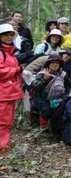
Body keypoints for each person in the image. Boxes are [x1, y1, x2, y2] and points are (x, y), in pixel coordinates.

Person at [0, 24, 24, 158]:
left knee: (8, 122)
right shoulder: (1, 53)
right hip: (3, 93)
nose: (9, 37)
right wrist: (16, 70)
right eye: (6, 35)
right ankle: (2, 150)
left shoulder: (10, 53)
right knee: (2, 122)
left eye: (11, 35)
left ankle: (4, 148)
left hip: (11, 92)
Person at [33, 54, 69, 128]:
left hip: (58, 97)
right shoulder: (42, 74)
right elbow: (35, 87)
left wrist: (63, 97)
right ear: (48, 64)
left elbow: (68, 87)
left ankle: (55, 126)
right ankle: (44, 127)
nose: (55, 65)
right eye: (52, 63)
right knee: (47, 110)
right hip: (43, 98)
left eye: (57, 63)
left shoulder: (63, 75)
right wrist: (45, 80)